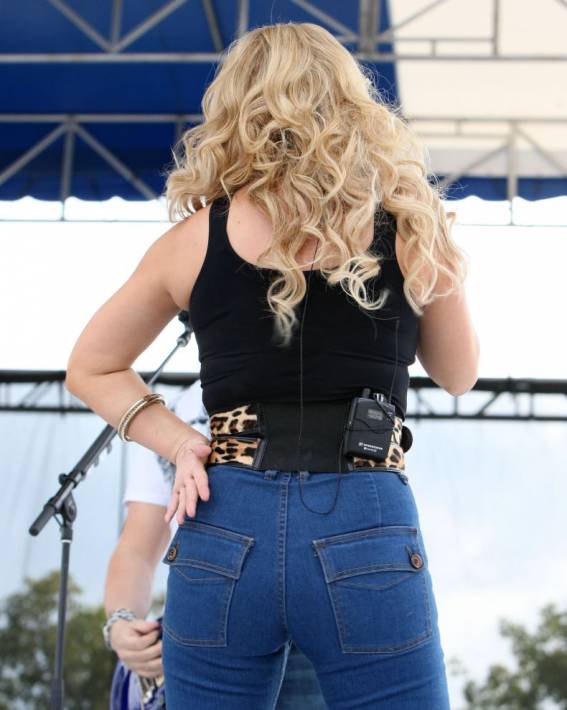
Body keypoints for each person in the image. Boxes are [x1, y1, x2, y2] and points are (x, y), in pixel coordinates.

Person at [65, 21, 479, 709]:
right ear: (351, 103)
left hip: (225, 515)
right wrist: (435, 250)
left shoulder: (193, 239)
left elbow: (90, 367)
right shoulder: (409, 223)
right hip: (363, 515)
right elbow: (458, 373)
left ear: (234, 109)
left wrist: (181, 442)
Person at [104, 382, 326, 709]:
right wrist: (121, 621)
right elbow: (136, 548)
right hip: (205, 620)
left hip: (312, 628)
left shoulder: (326, 384)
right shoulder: (169, 412)